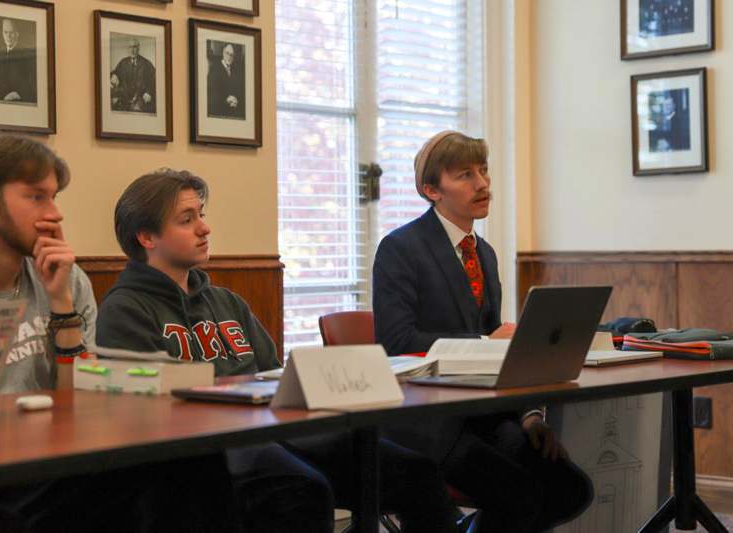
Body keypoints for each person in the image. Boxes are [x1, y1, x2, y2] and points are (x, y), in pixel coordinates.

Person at [97, 168, 466, 533]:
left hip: (269, 427)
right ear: (147, 236)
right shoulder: (126, 309)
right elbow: (146, 410)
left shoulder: (227, 303)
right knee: (300, 491)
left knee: (415, 474)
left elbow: (274, 374)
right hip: (207, 446)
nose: (204, 228)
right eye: (186, 219)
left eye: (201, 216)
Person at [0, 132, 240, 533]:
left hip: (59, 461)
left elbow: (82, 392)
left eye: (54, 197)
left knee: (194, 462)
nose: (55, 213)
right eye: (36, 197)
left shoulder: (69, 280)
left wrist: (60, 302)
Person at [372, 131, 594, 533]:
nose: (483, 183)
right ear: (431, 190)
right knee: (518, 491)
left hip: (483, 411)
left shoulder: (485, 254)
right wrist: (482, 345)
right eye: (465, 175)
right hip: (427, 418)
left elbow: (499, 347)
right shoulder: (399, 248)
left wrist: (529, 414)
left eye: (485, 171)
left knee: (570, 489)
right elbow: (397, 343)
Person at [0, 18, 37, 104]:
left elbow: (34, 87)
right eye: (5, 32)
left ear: (17, 34)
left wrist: (19, 94)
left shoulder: (28, 56)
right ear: (2, 33)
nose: (8, 36)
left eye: (11, 33)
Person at [110, 38, 156, 114]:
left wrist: (149, 92)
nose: (132, 50)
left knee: (137, 111)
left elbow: (154, 79)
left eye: (134, 47)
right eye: (130, 47)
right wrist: (114, 75)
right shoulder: (123, 62)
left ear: (138, 48)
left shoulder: (146, 63)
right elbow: (115, 72)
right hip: (125, 97)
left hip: (140, 97)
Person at [207, 43, 245, 119]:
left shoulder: (236, 70)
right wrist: (226, 100)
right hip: (219, 111)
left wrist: (236, 100)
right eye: (227, 53)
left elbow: (240, 90)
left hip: (234, 110)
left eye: (232, 55)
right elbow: (211, 94)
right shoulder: (214, 69)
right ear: (223, 52)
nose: (229, 57)